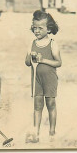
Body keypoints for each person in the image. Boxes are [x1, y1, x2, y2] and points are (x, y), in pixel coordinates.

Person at [25, 10, 62, 143]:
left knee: (50, 104)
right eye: (34, 28)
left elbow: (59, 63)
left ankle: (52, 132)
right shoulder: (32, 43)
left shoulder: (52, 43)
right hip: (36, 80)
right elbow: (27, 63)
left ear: (48, 29)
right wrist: (31, 55)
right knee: (37, 106)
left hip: (50, 79)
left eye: (40, 28)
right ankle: (36, 133)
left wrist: (43, 60)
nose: (37, 31)